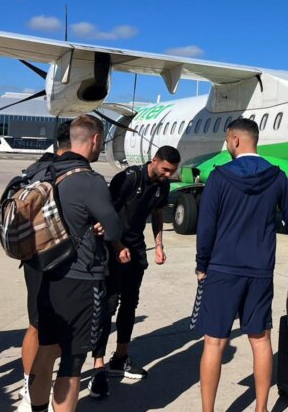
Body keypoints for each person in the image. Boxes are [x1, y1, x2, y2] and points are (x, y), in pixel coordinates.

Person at [195, 118, 288, 412]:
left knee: (214, 342)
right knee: (261, 339)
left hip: (222, 268)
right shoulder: (277, 176)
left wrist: (202, 264)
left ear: (235, 140)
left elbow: (206, 227)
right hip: (259, 269)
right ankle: (262, 408)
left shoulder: (218, 177)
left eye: (227, 140)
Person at [29, 115, 126, 412]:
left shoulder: (43, 172)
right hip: (81, 279)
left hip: (47, 275)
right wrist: (98, 224)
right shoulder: (89, 180)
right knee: (72, 362)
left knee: (45, 352)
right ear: (95, 140)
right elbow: (114, 229)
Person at [88, 146, 181, 398]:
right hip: (112, 247)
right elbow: (105, 215)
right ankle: (98, 366)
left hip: (136, 249)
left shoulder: (162, 185)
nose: (168, 175)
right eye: (165, 170)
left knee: (130, 304)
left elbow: (157, 212)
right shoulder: (128, 179)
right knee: (108, 305)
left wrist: (159, 245)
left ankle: (120, 358)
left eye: (172, 172)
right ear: (154, 161)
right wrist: (117, 245)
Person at [19, 120, 71, 408]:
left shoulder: (35, 168)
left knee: (38, 325)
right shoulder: (56, 171)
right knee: (41, 328)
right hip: (50, 257)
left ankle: (31, 384)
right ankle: (32, 388)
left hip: (33, 257)